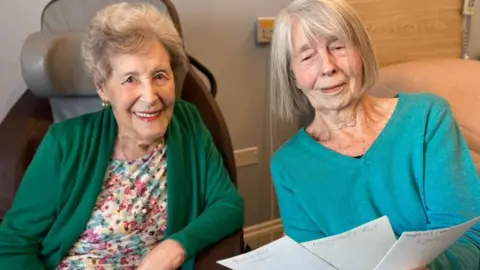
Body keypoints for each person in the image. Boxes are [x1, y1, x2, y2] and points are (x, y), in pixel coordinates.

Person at [0, 3, 244, 270]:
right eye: (130, 79)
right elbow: (13, 245)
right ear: (103, 88)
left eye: (160, 75)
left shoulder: (188, 123)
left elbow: (228, 204)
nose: (150, 97)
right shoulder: (63, 143)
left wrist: (177, 246)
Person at [268, 0, 480, 269]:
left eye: (338, 46)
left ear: (361, 51)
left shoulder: (427, 118)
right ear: (292, 75)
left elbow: (471, 237)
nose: (328, 67)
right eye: (308, 56)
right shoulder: (289, 165)